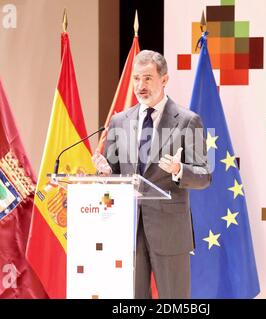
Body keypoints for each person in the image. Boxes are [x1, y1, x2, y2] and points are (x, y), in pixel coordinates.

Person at [92, 50, 211, 299]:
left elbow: (204, 176)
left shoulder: (188, 121)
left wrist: (180, 170)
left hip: (169, 231)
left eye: (147, 78)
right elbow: (115, 172)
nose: (140, 86)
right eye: (136, 79)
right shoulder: (119, 121)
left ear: (164, 80)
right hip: (128, 230)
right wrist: (105, 172)